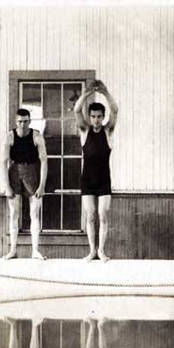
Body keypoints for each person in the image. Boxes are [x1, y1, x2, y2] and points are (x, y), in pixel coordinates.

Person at [73, 80, 118, 262]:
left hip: (104, 180)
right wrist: (87, 93)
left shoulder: (108, 131)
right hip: (87, 181)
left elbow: (115, 110)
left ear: (103, 117)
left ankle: (101, 251)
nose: (96, 120)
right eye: (93, 116)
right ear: (90, 117)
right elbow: (77, 110)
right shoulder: (85, 131)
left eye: (99, 116)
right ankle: (92, 251)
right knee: (90, 216)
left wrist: (105, 92)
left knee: (103, 215)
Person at [1, 109, 48, 260]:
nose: (22, 124)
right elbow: (3, 162)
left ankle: (35, 251)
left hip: (32, 172)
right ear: (16, 122)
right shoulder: (10, 136)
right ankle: (13, 250)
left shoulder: (36, 136)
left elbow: (44, 161)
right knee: (14, 213)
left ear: (30, 121)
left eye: (25, 121)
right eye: (20, 121)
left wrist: (42, 185)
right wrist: (7, 186)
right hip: (14, 172)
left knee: (34, 214)